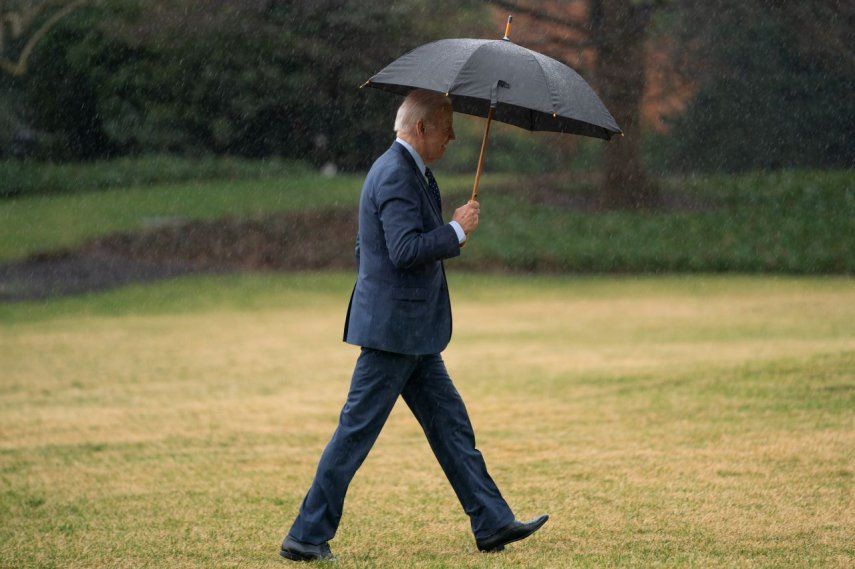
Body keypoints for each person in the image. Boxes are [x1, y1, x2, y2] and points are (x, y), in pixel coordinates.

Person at [279, 89, 547, 562]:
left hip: (411, 332)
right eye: (446, 127)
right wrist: (457, 230)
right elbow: (403, 251)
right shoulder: (396, 174)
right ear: (420, 129)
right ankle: (305, 534)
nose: (453, 136)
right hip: (394, 334)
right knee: (355, 433)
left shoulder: (410, 173)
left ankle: (492, 521)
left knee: (451, 426)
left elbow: (374, 249)